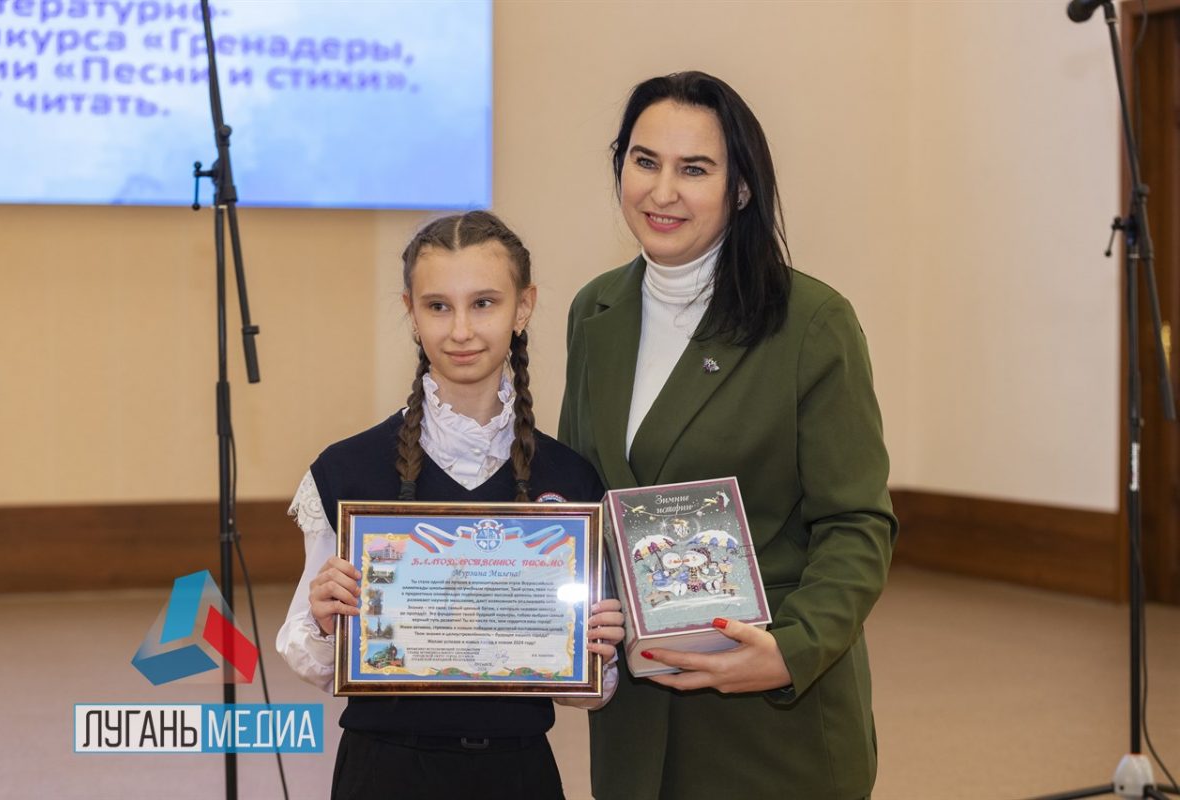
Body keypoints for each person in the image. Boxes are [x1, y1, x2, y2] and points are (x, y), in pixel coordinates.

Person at [558, 72, 897, 800]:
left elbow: (857, 523)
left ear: (741, 189)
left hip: (770, 709)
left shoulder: (810, 323)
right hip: (636, 716)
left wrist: (790, 651)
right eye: (644, 160)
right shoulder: (595, 311)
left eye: (695, 169)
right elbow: (583, 499)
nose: (661, 191)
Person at [277, 211, 625, 800]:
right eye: (438, 306)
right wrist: (322, 615)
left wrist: (598, 651)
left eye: (484, 303)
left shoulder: (571, 478)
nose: (460, 329)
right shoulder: (347, 469)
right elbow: (304, 654)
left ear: (524, 307)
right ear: (411, 312)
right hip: (382, 773)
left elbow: (586, 690)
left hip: (520, 774)